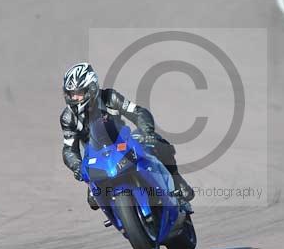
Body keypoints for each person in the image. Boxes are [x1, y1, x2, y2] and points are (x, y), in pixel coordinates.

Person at [60, 62, 195, 212]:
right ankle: (124, 220)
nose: (75, 98)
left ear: (91, 88)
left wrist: (147, 132)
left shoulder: (109, 97)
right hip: (96, 157)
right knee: (93, 201)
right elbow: (69, 149)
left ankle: (176, 181)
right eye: (71, 94)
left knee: (158, 143)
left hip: (124, 141)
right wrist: (77, 166)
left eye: (79, 93)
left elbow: (137, 112)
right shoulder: (68, 118)